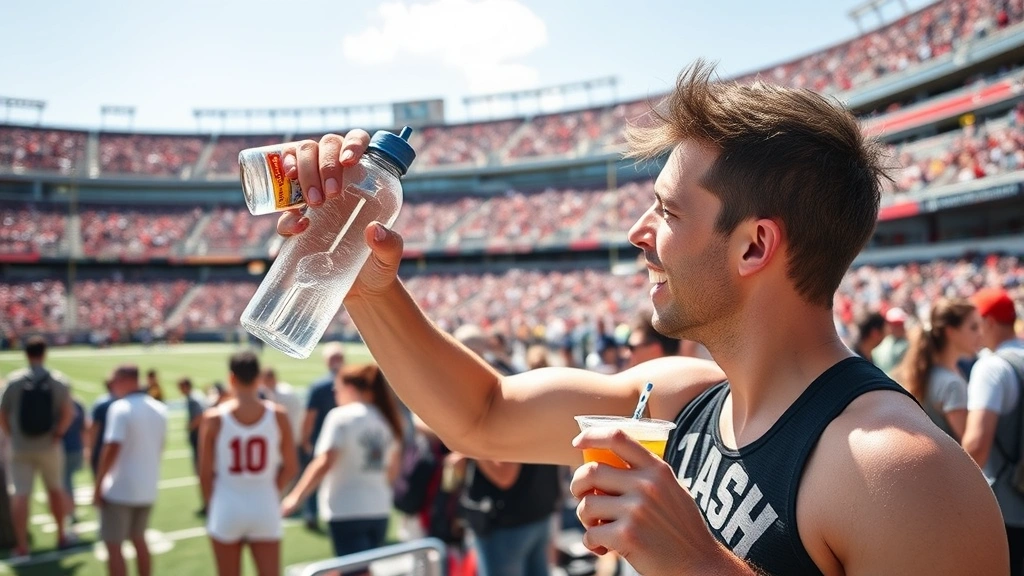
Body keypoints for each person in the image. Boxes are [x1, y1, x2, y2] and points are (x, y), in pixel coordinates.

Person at [278, 62, 1007, 575]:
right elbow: (482, 414)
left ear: (755, 244)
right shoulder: (676, 398)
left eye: (666, 209)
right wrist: (370, 288)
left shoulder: (905, 475)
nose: (637, 231)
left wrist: (698, 564)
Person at [282, 363, 403, 558]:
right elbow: (392, 470)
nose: (335, 394)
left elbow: (325, 461)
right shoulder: (388, 419)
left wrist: (295, 497)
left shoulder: (341, 417)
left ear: (350, 388)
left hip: (346, 508)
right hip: (379, 507)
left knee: (353, 569)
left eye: (336, 389)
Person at [199, 351, 297, 576]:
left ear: (231, 378)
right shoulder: (278, 415)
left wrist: (211, 504)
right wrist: (271, 491)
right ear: (259, 377)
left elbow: (205, 474)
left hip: (227, 505)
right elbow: (291, 467)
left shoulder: (213, 417)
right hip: (264, 504)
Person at [961, 287, 1024, 575]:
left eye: (975, 324)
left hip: (1010, 509)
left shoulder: (991, 367)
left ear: (988, 323)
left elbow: (976, 446)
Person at [0, 336, 74, 558]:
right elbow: (68, 414)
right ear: (45, 353)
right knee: (56, 490)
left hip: (20, 447)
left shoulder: (13, 381)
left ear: (26, 354)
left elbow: (2, 414)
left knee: (21, 495)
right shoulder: (58, 380)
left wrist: (13, 435)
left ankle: (22, 545)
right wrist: (58, 433)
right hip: (49, 445)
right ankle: (61, 535)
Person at [94, 364, 168, 576]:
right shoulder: (159, 408)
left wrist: (98, 485)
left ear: (127, 381)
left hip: (120, 488)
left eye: (116, 380)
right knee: (139, 539)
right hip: (147, 487)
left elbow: (111, 449)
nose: (113, 385)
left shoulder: (120, 408)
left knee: (114, 545)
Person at [893, 299, 980, 441]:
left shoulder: (933, 373)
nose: (980, 334)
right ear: (951, 332)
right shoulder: (952, 383)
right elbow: (969, 446)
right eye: (973, 327)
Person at [297, 342, 344, 529]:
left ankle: (311, 513)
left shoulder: (320, 386)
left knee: (313, 476)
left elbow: (309, 417)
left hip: (321, 439)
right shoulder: (352, 383)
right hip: (344, 440)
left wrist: (305, 439)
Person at [62, 395, 87, 536]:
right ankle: (70, 510)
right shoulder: (78, 403)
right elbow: (85, 428)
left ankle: (69, 511)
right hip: (76, 447)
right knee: (68, 481)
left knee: (64, 482)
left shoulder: (58, 402)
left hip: (62, 448)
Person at [872, 307, 910, 374]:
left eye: (900, 324)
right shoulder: (879, 345)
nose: (898, 327)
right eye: (895, 324)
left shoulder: (909, 343)